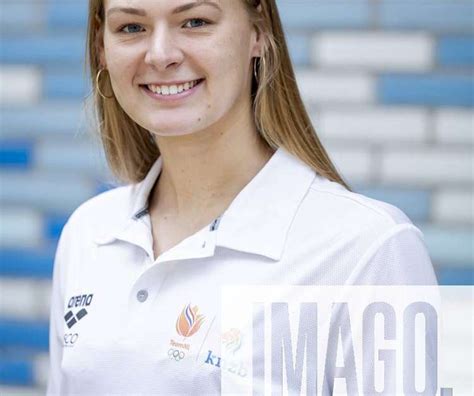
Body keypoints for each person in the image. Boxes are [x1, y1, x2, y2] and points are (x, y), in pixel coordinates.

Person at [46, 0, 438, 394]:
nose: (161, 54)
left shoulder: (369, 248)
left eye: (195, 21)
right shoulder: (89, 232)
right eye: (131, 28)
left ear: (258, 31)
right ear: (102, 47)